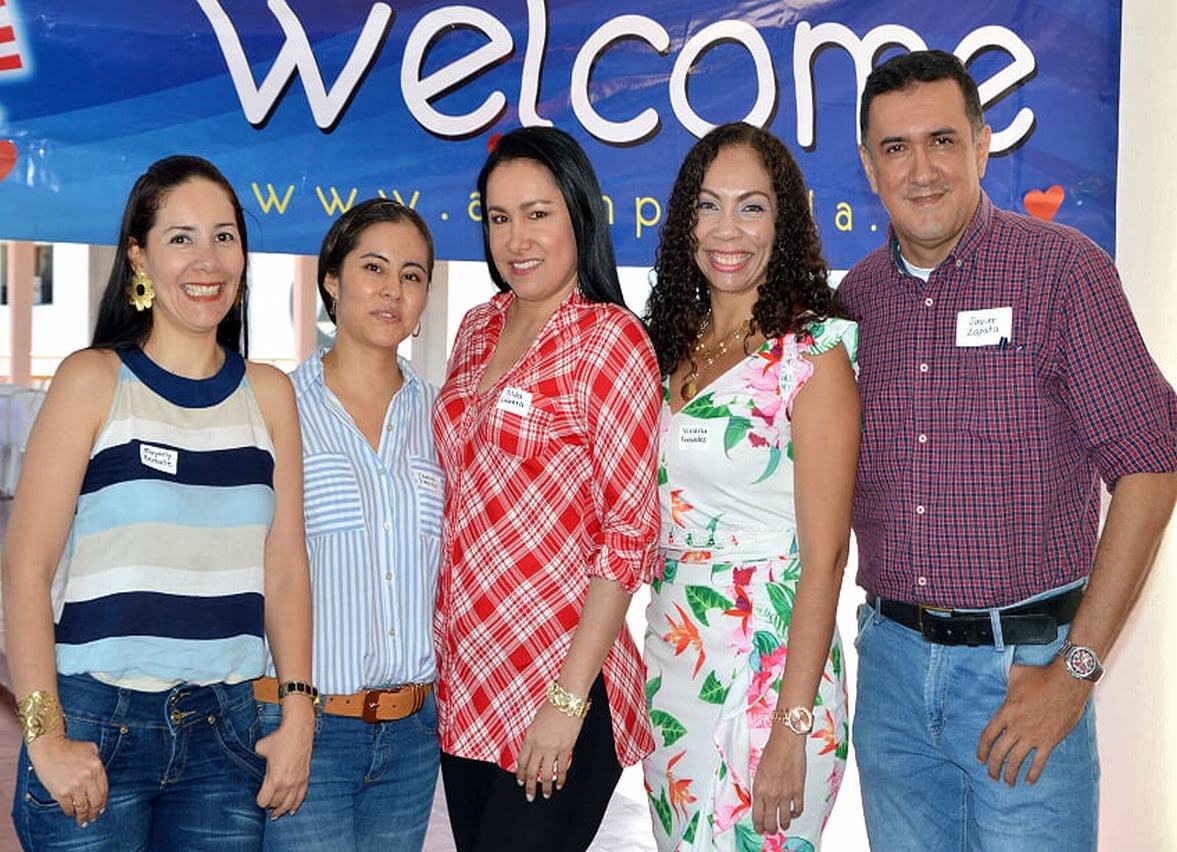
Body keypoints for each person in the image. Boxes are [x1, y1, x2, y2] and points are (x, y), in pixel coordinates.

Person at [841, 50, 1177, 850]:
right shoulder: (854, 304)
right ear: (866, 164)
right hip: (889, 679)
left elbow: (1151, 466)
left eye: (941, 141)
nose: (920, 170)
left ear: (982, 145)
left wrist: (1076, 671)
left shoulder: (1064, 274)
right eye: (895, 148)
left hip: (1025, 672)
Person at [3, 155, 315, 850]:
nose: (207, 261)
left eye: (224, 236)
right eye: (181, 238)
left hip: (226, 732)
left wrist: (299, 714)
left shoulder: (270, 395)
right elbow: (23, 569)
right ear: (139, 258)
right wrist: (45, 736)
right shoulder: (92, 380)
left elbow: (286, 570)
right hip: (93, 722)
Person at [432, 126, 661, 851]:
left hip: (559, 683)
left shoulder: (609, 339)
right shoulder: (476, 327)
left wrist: (565, 703)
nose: (515, 238)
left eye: (537, 213)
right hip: (468, 678)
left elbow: (629, 536)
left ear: (577, 215)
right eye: (498, 218)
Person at [642, 122, 858, 851]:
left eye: (751, 206)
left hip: (770, 672)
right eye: (708, 206)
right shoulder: (669, 344)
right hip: (674, 662)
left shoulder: (812, 354)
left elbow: (825, 559)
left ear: (784, 222)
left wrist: (791, 729)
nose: (726, 229)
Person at [256, 198, 442, 852]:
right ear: (331, 281)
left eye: (413, 275)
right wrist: (293, 717)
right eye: (374, 267)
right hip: (309, 725)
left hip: (414, 735)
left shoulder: (438, 418)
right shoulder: (279, 406)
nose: (393, 290)